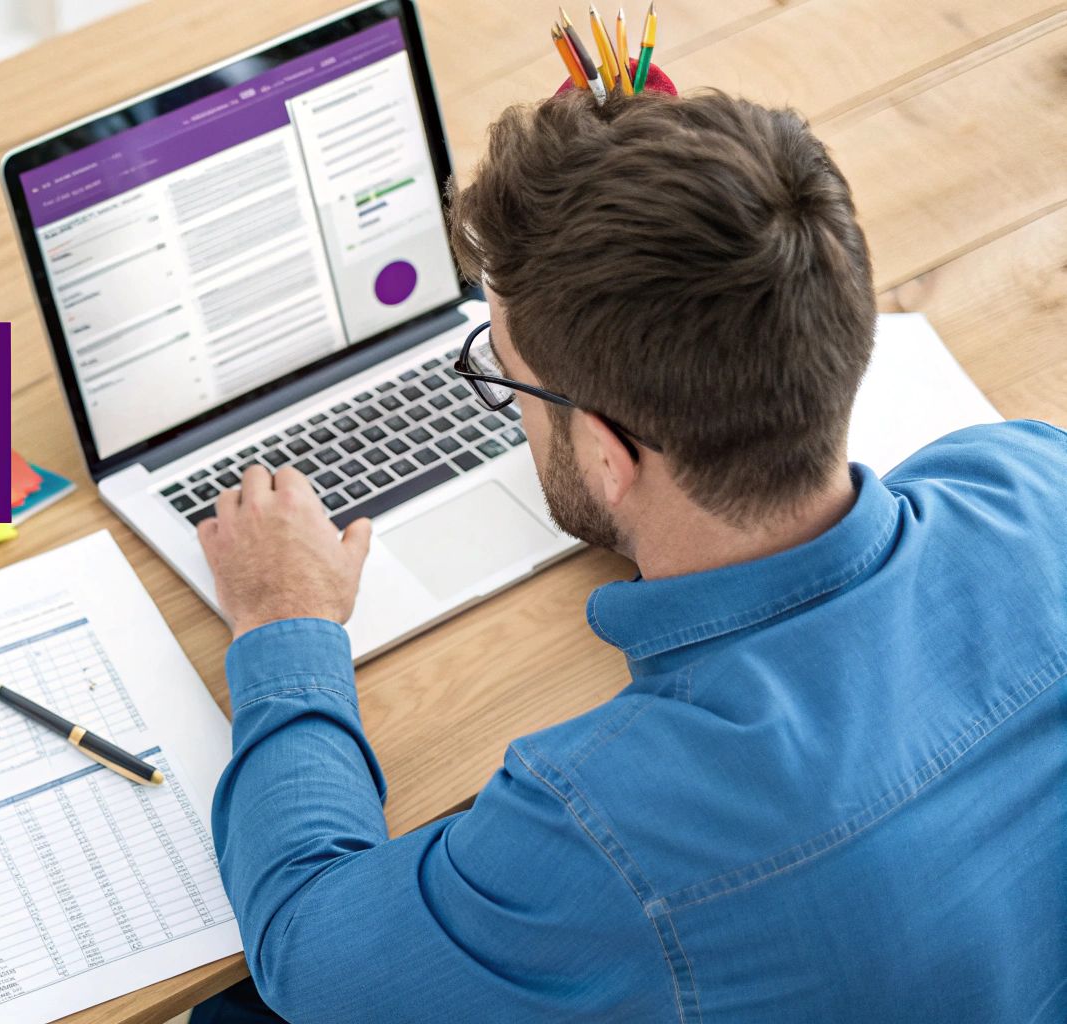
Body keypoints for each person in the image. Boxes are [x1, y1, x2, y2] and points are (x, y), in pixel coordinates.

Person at [191, 89, 1067, 1022]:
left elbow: (306, 951)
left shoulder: (601, 829)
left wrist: (283, 616)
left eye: (504, 373)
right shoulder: (1030, 474)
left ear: (610, 456)